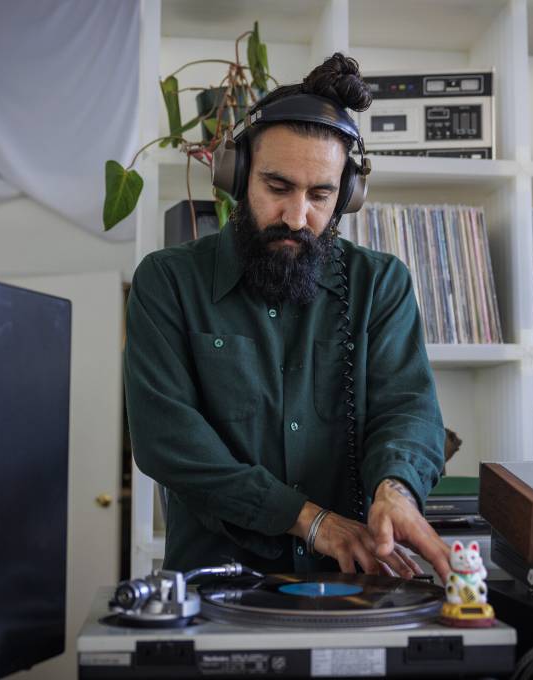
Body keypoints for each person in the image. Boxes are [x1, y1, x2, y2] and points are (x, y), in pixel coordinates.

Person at [124, 53, 451, 583]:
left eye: (320, 195)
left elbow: (408, 408)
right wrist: (309, 520)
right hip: (218, 587)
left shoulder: (381, 284)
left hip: (357, 584)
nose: (297, 217)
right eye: (277, 188)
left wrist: (396, 490)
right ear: (236, 174)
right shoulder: (167, 283)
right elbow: (168, 441)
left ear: (346, 195)